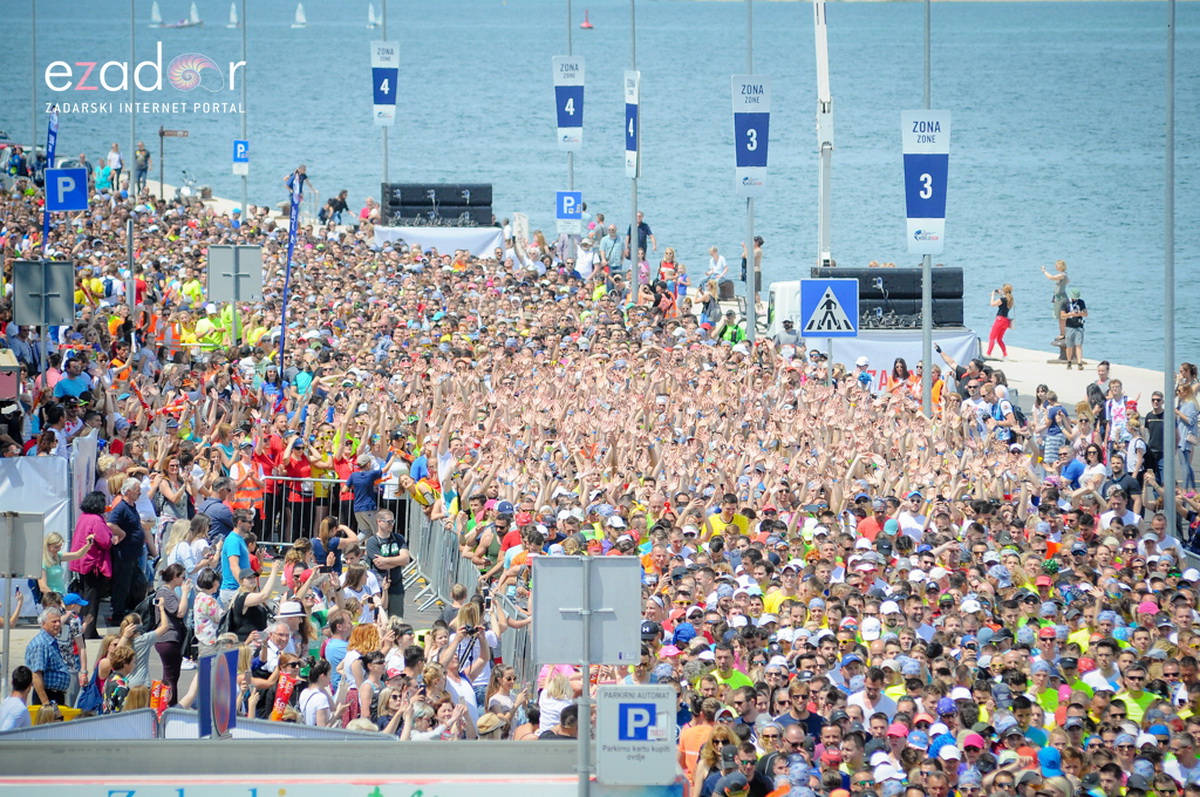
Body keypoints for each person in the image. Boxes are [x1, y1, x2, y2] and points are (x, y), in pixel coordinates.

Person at [365, 508, 409, 617]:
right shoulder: (372, 541)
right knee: (379, 619)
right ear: (379, 522)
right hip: (379, 587)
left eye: (393, 521)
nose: (391, 524)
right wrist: (398, 561)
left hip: (396, 585)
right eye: (389, 522)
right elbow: (380, 565)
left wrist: (386, 560)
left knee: (396, 620)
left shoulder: (398, 538)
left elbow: (406, 559)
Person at [26, 608, 71, 707]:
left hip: (56, 696)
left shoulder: (51, 642)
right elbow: (36, 675)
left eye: (59, 621)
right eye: (54, 622)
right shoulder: (41, 644)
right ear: (44, 624)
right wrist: (45, 702)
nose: (58, 624)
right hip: (47, 697)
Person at [1041, 260, 1070, 342]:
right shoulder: (1064, 275)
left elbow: (1051, 277)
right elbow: (1068, 281)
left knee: (1061, 317)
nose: (1055, 267)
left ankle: (1063, 334)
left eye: (1057, 265)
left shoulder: (1062, 275)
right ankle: (1063, 333)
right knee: (1061, 317)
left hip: (1060, 297)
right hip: (1060, 296)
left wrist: (1044, 271)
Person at [0, 666, 33, 732]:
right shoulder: (19, 709)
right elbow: (4, 736)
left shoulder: (6, 701)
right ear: (30, 686)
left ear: (12, 682)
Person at [1062, 288, 1087, 370]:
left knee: (1079, 345)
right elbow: (1062, 315)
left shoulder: (1081, 302)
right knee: (1069, 346)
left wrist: (1080, 313)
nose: (1075, 299)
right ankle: (1069, 362)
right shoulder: (1066, 302)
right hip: (1069, 326)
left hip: (1079, 326)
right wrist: (1070, 314)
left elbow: (1086, 313)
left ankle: (1079, 363)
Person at [987, 284, 1015, 358]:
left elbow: (992, 304)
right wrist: (1001, 294)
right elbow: (1004, 302)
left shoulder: (1002, 300)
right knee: (999, 339)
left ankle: (988, 354)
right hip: (1006, 321)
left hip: (1000, 320)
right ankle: (1005, 355)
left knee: (992, 337)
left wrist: (993, 295)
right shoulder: (1010, 299)